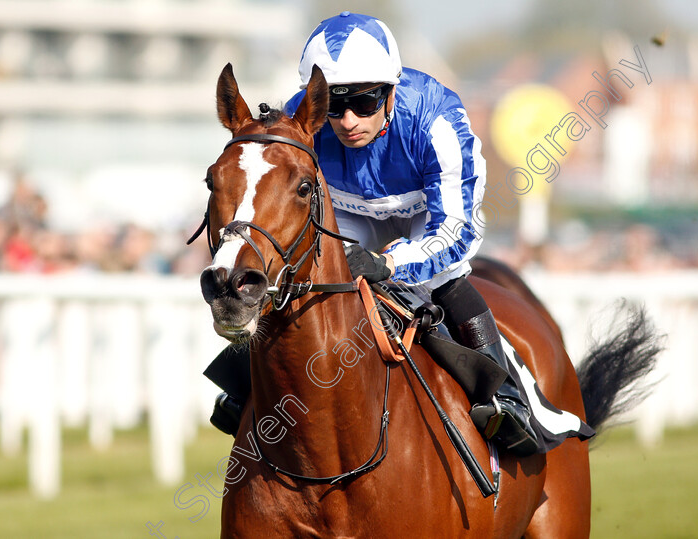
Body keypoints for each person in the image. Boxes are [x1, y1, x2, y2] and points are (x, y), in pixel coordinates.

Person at [208, 12, 539, 456]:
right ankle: (245, 382)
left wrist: (389, 263)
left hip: (427, 216)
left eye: (364, 103)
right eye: (334, 104)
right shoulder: (300, 120)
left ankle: (506, 397)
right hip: (348, 211)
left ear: (392, 91)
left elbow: (455, 233)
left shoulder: (436, 119)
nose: (346, 121)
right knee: (299, 274)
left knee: (445, 280)